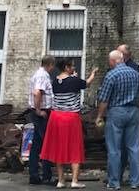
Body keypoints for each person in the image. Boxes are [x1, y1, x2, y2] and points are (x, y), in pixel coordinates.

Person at [40, 59, 98, 189]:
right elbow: (87, 83)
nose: (74, 68)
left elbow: (67, 84)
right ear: (66, 67)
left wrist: (73, 78)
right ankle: (74, 181)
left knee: (58, 149)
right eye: (72, 66)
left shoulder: (55, 81)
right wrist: (93, 73)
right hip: (71, 117)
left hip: (56, 117)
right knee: (75, 148)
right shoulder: (74, 81)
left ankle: (61, 180)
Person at [96, 50, 139, 190]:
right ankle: (135, 182)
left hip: (116, 111)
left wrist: (99, 116)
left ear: (113, 61)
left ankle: (114, 182)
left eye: (109, 61)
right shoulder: (135, 74)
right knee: (134, 148)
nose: (109, 63)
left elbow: (104, 99)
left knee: (114, 149)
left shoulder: (111, 75)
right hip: (133, 111)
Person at [28, 55, 56, 185]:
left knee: (37, 144)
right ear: (50, 64)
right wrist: (39, 110)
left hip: (40, 112)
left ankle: (34, 175)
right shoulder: (42, 76)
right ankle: (46, 175)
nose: (53, 68)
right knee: (46, 143)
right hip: (42, 114)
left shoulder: (39, 74)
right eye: (52, 65)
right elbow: (37, 92)